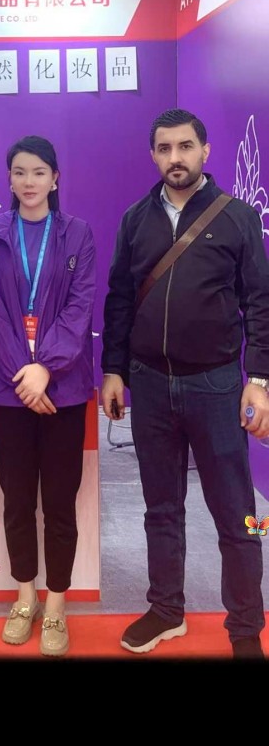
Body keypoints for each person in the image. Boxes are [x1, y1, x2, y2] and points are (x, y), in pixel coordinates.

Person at [102, 108, 269, 659]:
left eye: (185, 146)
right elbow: (120, 299)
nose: (175, 158)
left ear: (205, 151)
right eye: (165, 148)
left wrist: (260, 378)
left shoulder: (238, 217)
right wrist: (114, 369)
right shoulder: (135, 219)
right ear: (153, 155)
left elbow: (260, 301)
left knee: (237, 513)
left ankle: (245, 628)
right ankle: (166, 610)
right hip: (150, 385)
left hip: (216, 386)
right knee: (161, 508)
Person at [0, 135, 96, 656]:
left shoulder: (77, 234)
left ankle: (56, 603)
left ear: (55, 178)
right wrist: (23, 377)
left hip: (64, 391)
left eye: (38, 172)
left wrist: (45, 367)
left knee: (60, 503)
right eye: (20, 172)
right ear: (9, 178)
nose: (29, 182)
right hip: (10, 394)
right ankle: (24, 596)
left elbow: (80, 307)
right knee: (18, 500)